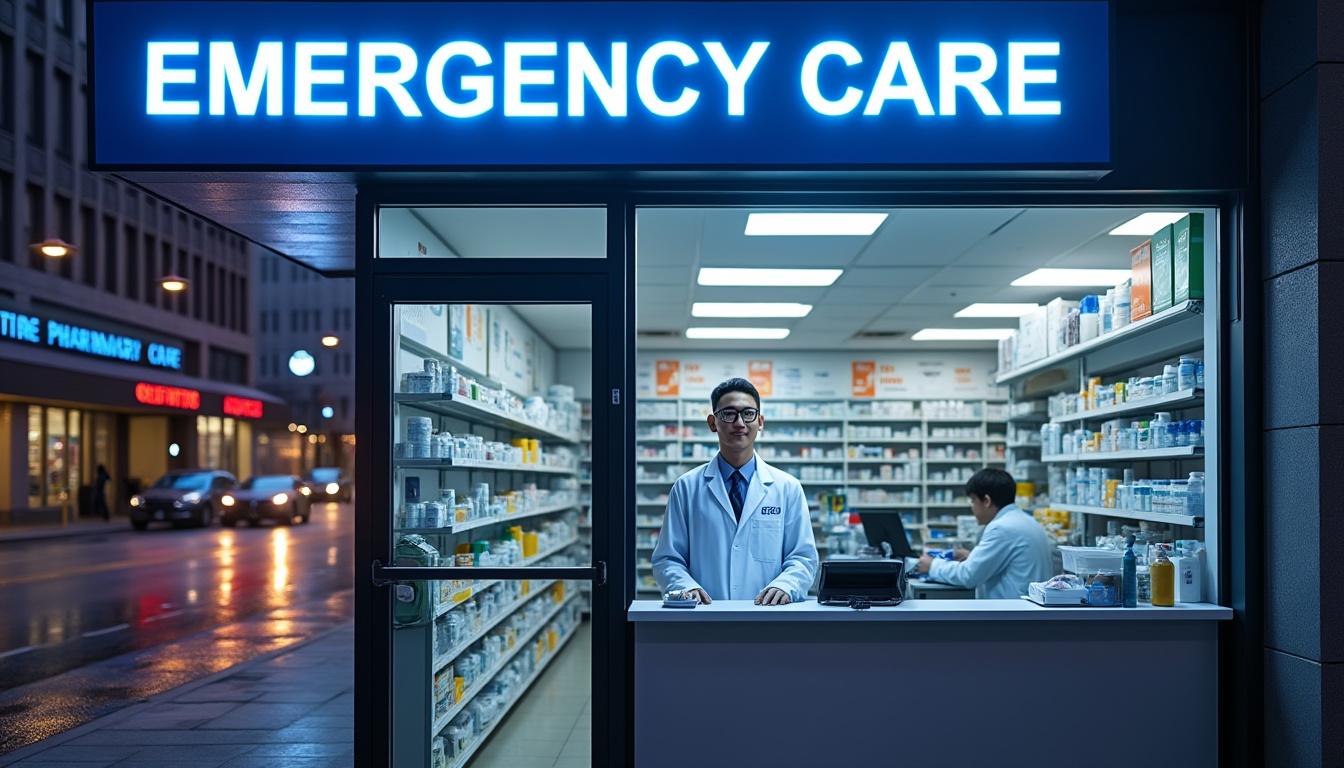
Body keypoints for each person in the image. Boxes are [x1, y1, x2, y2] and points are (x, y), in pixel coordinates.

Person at [653, 378, 819, 606]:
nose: (739, 422)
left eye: (748, 413)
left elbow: (803, 557)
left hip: (770, 616)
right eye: (728, 414)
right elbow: (667, 558)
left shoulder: (787, 488)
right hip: (703, 618)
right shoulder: (687, 487)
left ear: (760, 422)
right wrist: (685, 586)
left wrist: (785, 585)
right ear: (712, 422)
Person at [913, 468, 1053, 599]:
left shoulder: (1002, 528)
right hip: (1028, 613)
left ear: (986, 501)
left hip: (1012, 617)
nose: (972, 508)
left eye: (973, 500)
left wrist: (932, 566)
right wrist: (973, 557)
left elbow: (968, 576)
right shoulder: (1026, 521)